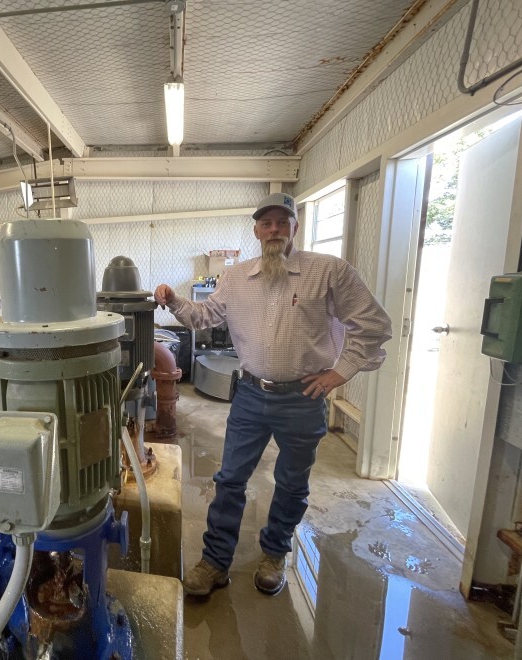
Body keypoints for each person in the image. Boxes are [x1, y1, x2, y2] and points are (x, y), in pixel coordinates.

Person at [154, 192, 392, 597]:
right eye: (267, 223)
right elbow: (204, 316)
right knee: (229, 479)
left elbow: (373, 325)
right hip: (249, 394)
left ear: (295, 227)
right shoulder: (236, 277)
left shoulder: (329, 271)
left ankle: (274, 554)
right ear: (256, 231)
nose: (275, 230)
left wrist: (341, 372)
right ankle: (215, 561)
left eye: (283, 222)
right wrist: (174, 300)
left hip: (302, 397)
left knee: (292, 482)